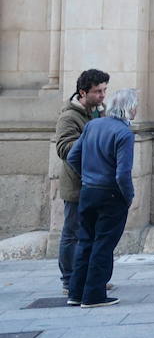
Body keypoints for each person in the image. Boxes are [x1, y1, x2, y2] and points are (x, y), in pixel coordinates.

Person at [65, 87, 136, 309]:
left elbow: (73, 157)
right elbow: (122, 173)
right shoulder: (124, 133)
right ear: (130, 108)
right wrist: (128, 196)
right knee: (103, 245)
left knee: (86, 241)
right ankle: (94, 295)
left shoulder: (92, 126)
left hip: (88, 191)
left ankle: (76, 292)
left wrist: (87, 176)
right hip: (110, 195)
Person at [53, 68, 108, 296]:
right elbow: (64, 149)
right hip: (77, 185)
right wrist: (91, 138)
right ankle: (69, 280)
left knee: (94, 233)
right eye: (97, 91)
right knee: (73, 233)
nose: (102, 96)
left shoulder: (98, 113)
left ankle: (89, 277)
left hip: (96, 183)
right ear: (83, 93)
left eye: (104, 90)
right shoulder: (69, 117)